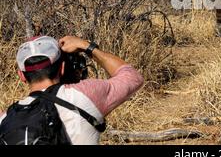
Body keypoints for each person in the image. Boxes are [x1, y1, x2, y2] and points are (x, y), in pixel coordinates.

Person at [0, 35, 144, 145]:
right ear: (62, 68)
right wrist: (87, 46)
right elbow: (132, 78)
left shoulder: (5, 118)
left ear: (21, 76)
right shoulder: (84, 95)